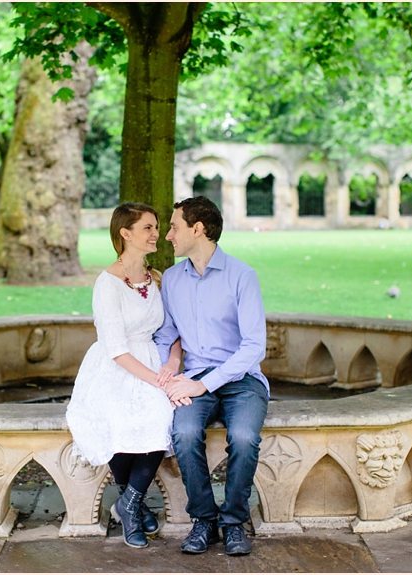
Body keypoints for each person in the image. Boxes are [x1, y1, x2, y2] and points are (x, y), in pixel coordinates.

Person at [154, 196, 269, 556]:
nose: (168, 235)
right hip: (194, 377)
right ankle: (204, 519)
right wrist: (169, 370)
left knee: (244, 436)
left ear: (198, 229)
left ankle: (233, 522)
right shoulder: (172, 279)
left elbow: (254, 347)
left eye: (174, 227)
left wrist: (204, 383)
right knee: (185, 434)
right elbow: (166, 334)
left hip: (242, 379)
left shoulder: (242, 276)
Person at [65, 202, 184, 549]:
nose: (156, 234)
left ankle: (127, 504)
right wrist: (155, 379)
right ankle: (134, 506)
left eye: (157, 227)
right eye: (147, 227)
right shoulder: (107, 284)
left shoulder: (158, 278)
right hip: (116, 365)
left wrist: (173, 362)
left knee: (161, 418)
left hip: (154, 360)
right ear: (125, 233)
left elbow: (173, 332)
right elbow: (116, 348)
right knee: (117, 420)